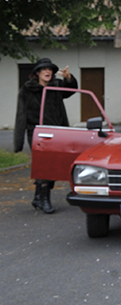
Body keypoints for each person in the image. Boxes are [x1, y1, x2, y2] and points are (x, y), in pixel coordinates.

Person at [14, 58, 77, 214]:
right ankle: (44, 200)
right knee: (45, 165)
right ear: (37, 73)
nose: (47, 72)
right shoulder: (26, 90)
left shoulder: (56, 87)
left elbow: (71, 90)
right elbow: (21, 115)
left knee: (53, 165)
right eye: (44, 69)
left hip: (56, 132)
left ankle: (38, 198)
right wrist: (18, 141)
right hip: (37, 133)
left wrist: (69, 78)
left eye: (50, 69)